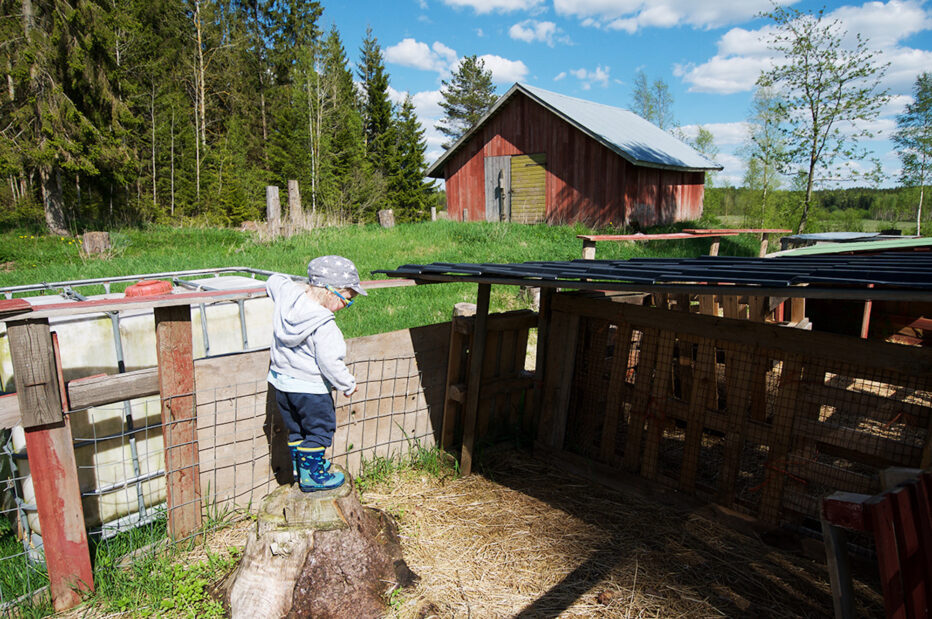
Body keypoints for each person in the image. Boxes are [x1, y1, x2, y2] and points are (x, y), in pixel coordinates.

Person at [266, 255, 367, 492]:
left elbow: (274, 280)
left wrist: (302, 285)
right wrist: (347, 384)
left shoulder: (287, 299)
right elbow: (330, 362)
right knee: (320, 431)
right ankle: (313, 476)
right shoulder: (324, 325)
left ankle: (300, 470)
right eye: (348, 299)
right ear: (331, 292)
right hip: (311, 389)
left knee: (298, 430)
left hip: (282, 386)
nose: (348, 305)